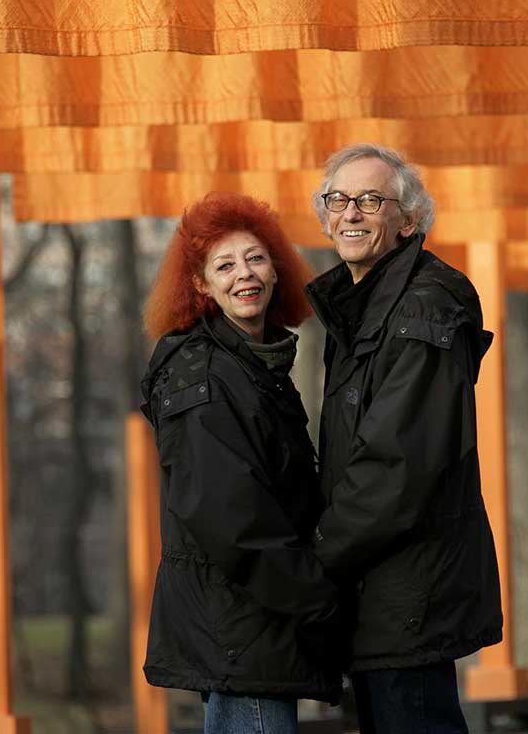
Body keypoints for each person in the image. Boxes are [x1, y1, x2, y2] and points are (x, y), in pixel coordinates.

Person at [305, 144, 503, 733]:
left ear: (408, 221)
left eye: (370, 200)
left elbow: (397, 467)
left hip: (407, 591)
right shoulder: (363, 306)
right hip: (380, 590)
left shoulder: (423, 308)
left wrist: (316, 560)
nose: (351, 213)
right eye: (338, 200)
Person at [141, 192, 343, 733]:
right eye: (224, 265)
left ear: (277, 270)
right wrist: (321, 600)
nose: (244, 275)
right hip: (242, 631)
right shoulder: (203, 377)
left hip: (262, 625)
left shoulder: (256, 366)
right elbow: (232, 521)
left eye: (255, 258)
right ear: (201, 285)